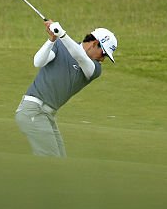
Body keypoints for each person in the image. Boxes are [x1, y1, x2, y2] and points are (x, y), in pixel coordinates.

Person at [15, 20, 117, 157]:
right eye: (103, 54)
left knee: (60, 160)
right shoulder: (61, 45)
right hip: (33, 110)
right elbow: (38, 62)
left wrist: (62, 34)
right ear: (94, 43)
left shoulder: (95, 68)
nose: (103, 59)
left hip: (47, 115)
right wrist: (51, 40)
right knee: (51, 161)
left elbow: (79, 57)